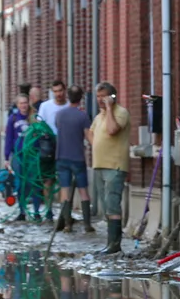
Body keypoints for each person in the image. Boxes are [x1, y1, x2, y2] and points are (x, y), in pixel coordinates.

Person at [90, 82, 130, 254]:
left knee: (113, 203)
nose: (100, 100)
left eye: (104, 96)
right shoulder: (99, 116)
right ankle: (109, 242)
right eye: (98, 96)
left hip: (115, 165)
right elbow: (91, 133)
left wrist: (110, 108)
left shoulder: (120, 113)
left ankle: (115, 245)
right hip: (99, 165)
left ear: (112, 96)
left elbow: (113, 130)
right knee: (105, 204)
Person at [53, 85, 96, 234]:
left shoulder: (59, 114)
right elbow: (89, 137)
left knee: (65, 191)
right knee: (83, 191)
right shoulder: (83, 116)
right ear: (81, 98)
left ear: (67, 96)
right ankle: (87, 225)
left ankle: (67, 225)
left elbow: (58, 128)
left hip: (62, 157)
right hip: (78, 158)